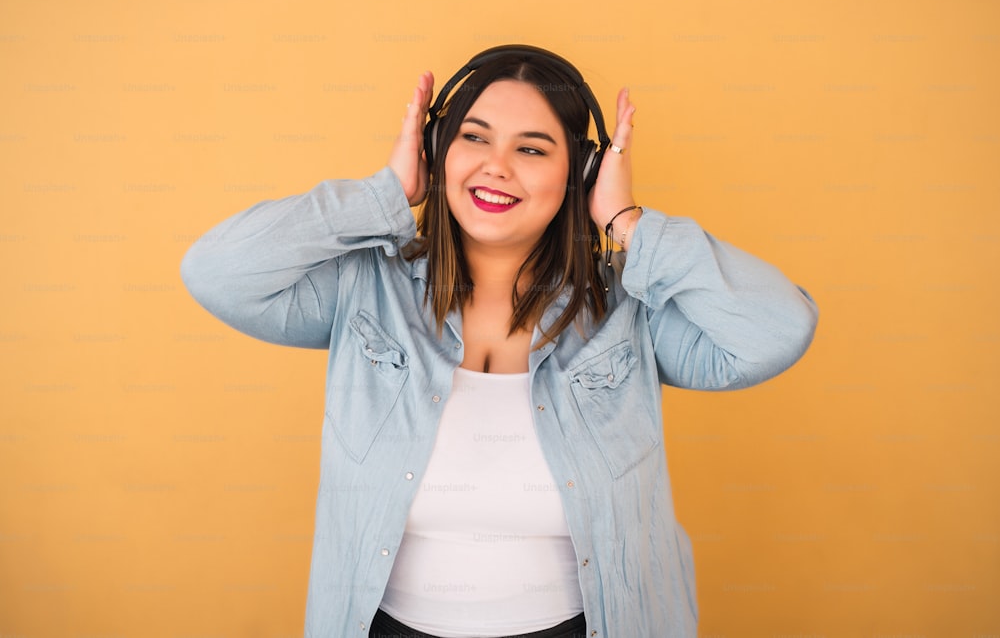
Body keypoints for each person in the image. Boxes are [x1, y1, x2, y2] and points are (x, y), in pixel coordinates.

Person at [181, 45, 818, 638]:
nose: (496, 167)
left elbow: (775, 330)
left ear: (582, 172)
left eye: (533, 149)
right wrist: (387, 194)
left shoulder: (629, 308)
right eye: (473, 137)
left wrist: (628, 223)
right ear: (436, 149)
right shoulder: (366, 289)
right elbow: (217, 271)